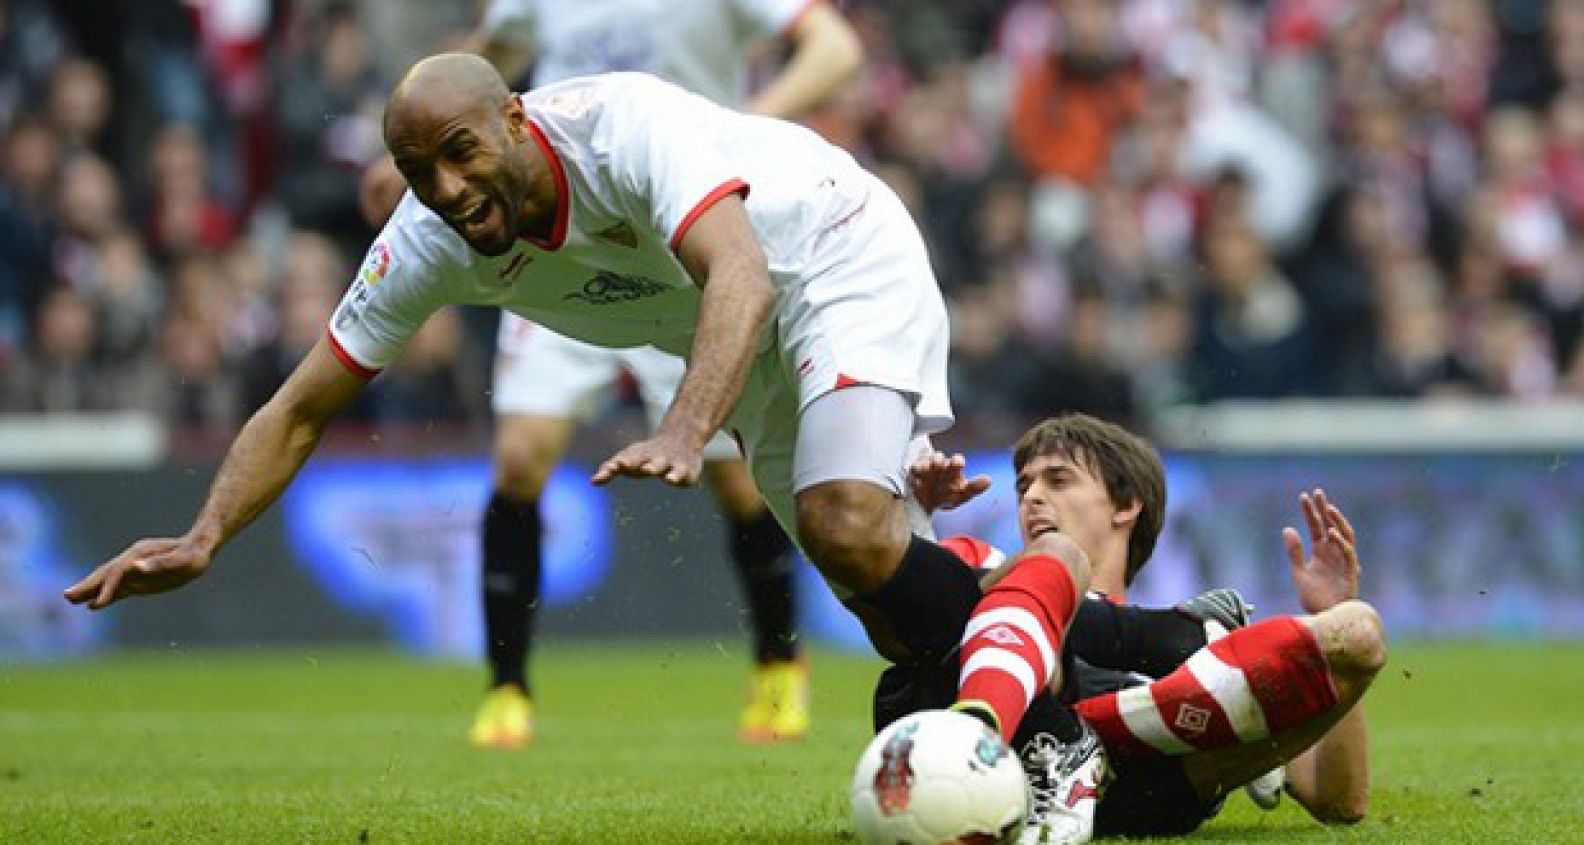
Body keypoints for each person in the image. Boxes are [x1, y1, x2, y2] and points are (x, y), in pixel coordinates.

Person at [65, 54, 1109, 836]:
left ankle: (1059, 741)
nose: (448, 188)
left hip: (832, 259)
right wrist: (204, 533)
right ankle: (1146, 663)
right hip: (743, 343)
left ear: (515, 124)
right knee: (891, 605)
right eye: (417, 171)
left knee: (844, 526)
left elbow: (737, 272)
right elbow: (300, 404)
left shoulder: (623, 129)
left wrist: (687, 430)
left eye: (463, 152)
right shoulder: (429, 241)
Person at [357, 0, 864, 751]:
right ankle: (506, 689)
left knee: (733, 477)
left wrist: (748, 124)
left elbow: (836, 50)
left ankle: (778, 666)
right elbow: (482, 58)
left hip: (678, 237)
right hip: (553, 240)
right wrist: (424, 152)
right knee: (521, 454)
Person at [876, 413, 1387, 839]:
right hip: (985, 748)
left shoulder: (1202, 651)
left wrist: (1328, 611)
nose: (1031, 497)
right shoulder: (979, 560)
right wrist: (914, 522)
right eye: (1024, 484)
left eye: (1057, 480)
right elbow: (911, 621)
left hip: (1142, 793)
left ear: (1126, 506)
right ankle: (1130, 714)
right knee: (1056, 574)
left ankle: (1099, 733)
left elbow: (1338, 800)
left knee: (1358, 631)